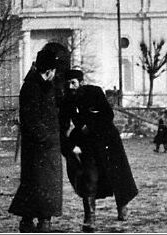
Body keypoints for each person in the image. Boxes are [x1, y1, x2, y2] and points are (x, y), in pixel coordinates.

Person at [60, 69, 138, 233]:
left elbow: (107, 115)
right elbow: (64, 125)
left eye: (73, 82)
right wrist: (69, 145)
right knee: (89, 177)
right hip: (86, 144)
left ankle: (122, 206)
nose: (70, 86)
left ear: (81, 82)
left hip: (107, 140)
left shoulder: (94, 92)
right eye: (67, 84)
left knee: (116, 175)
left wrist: (90, 125)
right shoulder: (67, 100)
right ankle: (90, 218)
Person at [9, 50, 62, 233]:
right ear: (49, 70)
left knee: (38, 183)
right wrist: (46, 138)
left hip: (44, 146)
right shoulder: (32, 87)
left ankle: (33, 219)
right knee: (40, 183)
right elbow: (31, 119)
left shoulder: (43, 85)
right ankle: (41, 220)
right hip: (40, 146)